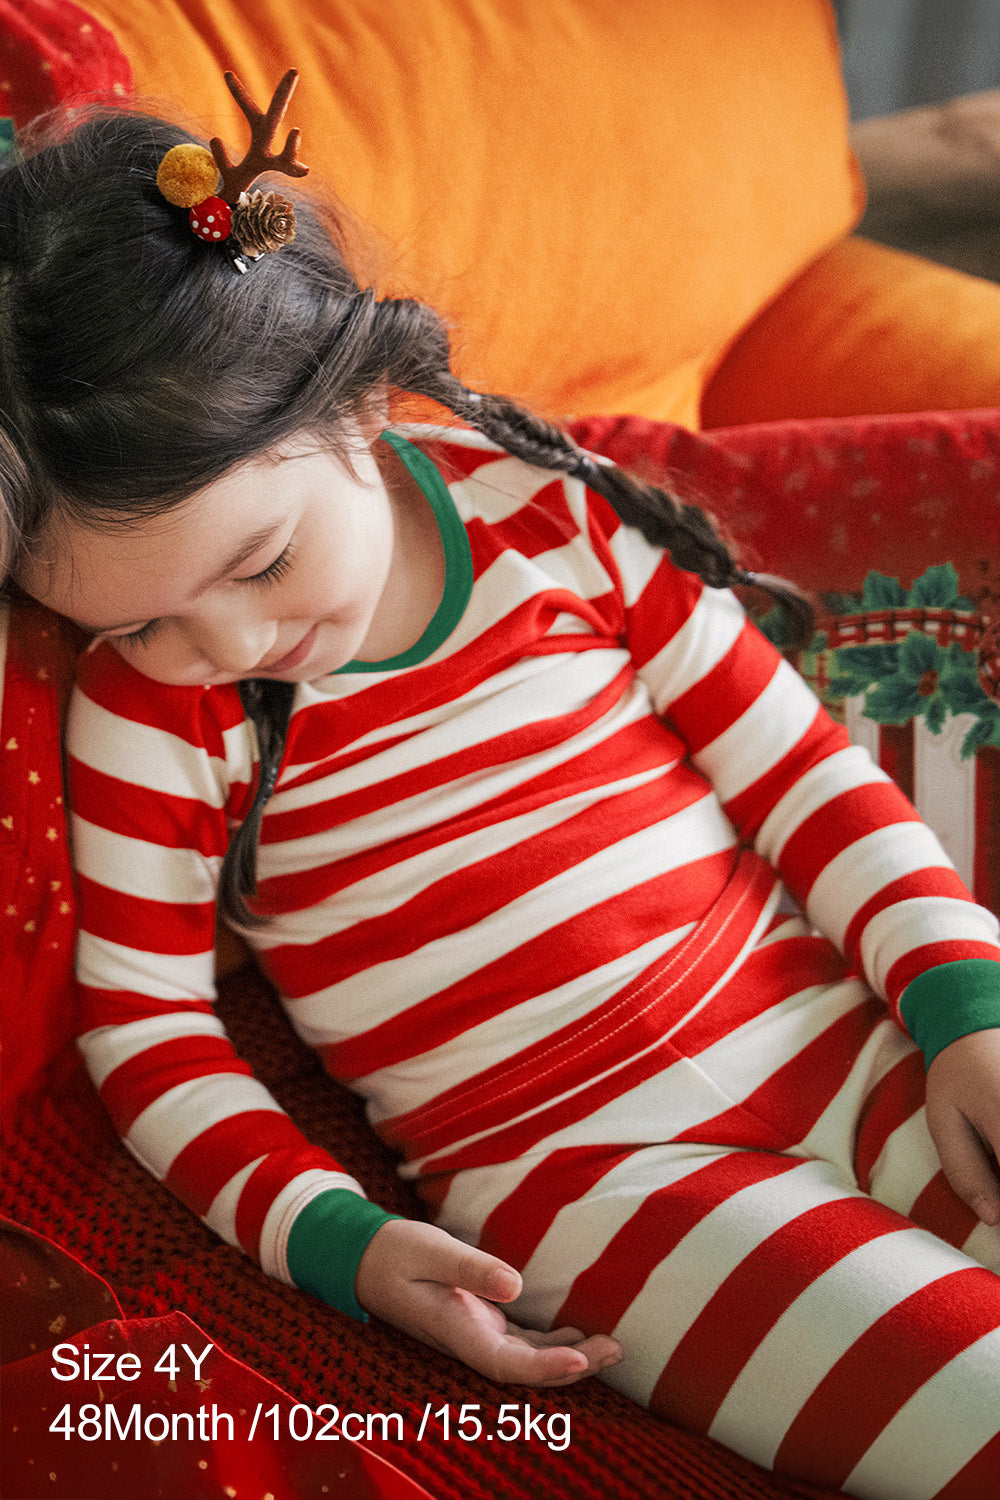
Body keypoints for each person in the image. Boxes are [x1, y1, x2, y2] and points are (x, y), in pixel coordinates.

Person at [4, 81, 1000, 1498]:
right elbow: (151, 1035)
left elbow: (806, 777)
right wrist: (336, 1237)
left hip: (851, 1025)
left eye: (258, 562)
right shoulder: (152, 721)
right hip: (607, 1190)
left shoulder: (549, 511)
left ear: (356, 397)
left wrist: (965, 1008)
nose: (221, 650)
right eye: (139, 623)